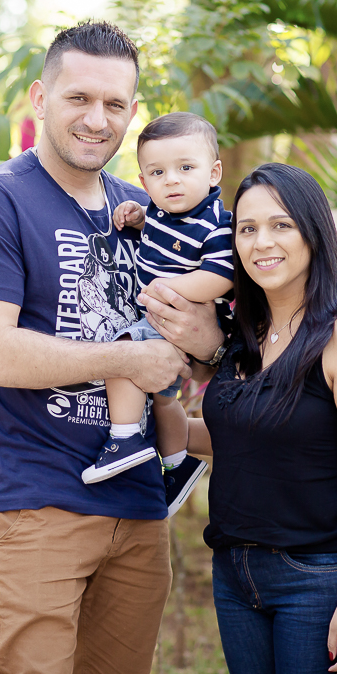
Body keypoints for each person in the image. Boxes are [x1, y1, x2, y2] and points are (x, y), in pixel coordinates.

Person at [0, 21, 226, 674]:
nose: (95, 118)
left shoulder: (150, 204)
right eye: (78, 97)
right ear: (41, 97)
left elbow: (196, 337)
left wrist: (204, 342)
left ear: (133, 114)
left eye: (114, 104)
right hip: (36, 503)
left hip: (137, 508)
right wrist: (125, 360)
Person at [149, 162, 337, 674]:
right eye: (245, 229)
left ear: (313, 232)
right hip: (237, 576)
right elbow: (239, 440)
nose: (260, 242)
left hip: (320, 577)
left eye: (280, 225)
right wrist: (156, 396)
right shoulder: (246, 337)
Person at [80, 112, 232, 517]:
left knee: (122, 351)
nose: (173, 180)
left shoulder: (217, 225)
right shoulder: (163, 212)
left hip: (176, 318)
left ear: (214, 172)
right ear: (144, 182)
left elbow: (219, 277)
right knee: (165, 403)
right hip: (165, 318)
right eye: (158, 173)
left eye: (186, 168)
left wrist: (167, 290)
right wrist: (139, 214)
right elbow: (159, 227)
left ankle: (125, 437)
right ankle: (178, 463)